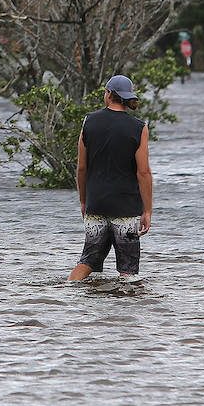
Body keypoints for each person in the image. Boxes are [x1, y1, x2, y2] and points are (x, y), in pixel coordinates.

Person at [69, 75, 154, 281]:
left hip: (96, 202)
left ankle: (66, 294)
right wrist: (147, 210)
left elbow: (82, 167)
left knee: (88, 260)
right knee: (128, 267)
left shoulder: (89, 121)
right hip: (125, 206)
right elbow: (143, 172)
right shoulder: (139, 127)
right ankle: (124, 309)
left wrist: (84, 200)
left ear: (108, 94)